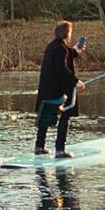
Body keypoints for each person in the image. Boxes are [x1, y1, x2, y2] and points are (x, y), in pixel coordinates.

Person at [34, 21, 85, 158]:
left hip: (46, 91)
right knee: (65, 116)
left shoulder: (52, 46)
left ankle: (39, 147)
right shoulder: (61, 49)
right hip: (58, 92)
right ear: (67, 34)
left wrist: (75, 51)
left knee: (45, 117)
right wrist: (76, 81)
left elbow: (64, 56)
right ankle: (60, 150)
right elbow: (61, 67)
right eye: (70, 33)